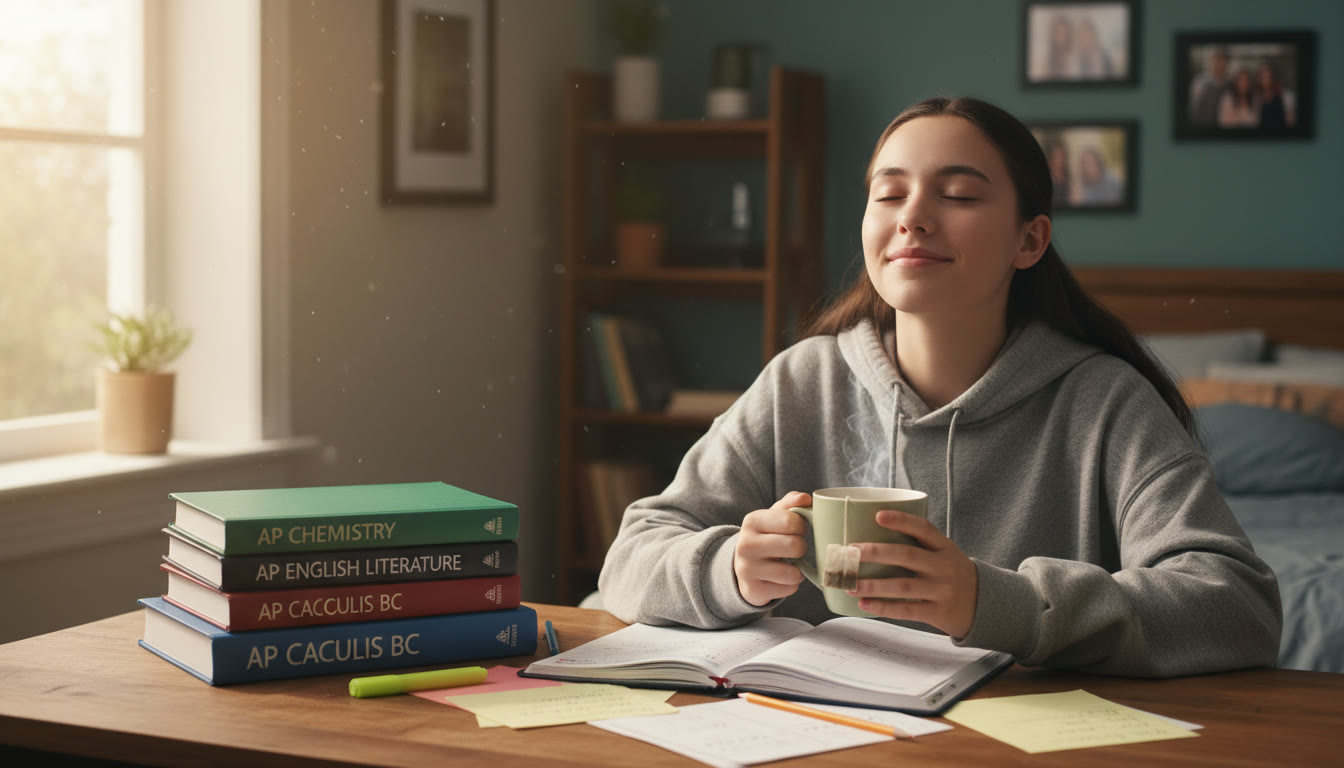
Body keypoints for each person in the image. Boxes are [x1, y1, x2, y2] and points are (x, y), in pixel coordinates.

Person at [597, 96, 1281, 678]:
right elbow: (630, 557)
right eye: (889, 193)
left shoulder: (1104, 401)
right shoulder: (802, 381)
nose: (913, 217)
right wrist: (729, 571)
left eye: (957, 195)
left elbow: (1238, 606)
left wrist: (997, 602)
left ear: (1030, 240)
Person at [1188, 47, 1229, 126]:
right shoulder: (1199, 82)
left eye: (1223, 60)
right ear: (1211, 61)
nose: (1220, 64)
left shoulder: (1229, 83)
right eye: (1217, 60)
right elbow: (1193, 108)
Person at [1256, 62, 1296, 130]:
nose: (1265, 78)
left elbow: (1290, 120)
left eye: (1267, 74)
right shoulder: (1257, 98)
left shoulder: (1286, 96)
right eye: (1262, 75)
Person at [1044, 138, 1071, 209]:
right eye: (1057, 156)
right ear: (1050, 158)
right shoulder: (1045, 182)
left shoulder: (1069, 180)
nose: (1061, 159)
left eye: (1063, 155)